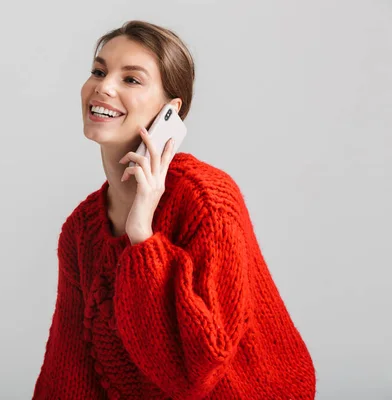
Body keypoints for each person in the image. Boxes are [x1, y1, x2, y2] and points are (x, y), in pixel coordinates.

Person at [33, 20, 316, 400]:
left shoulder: (206, 199)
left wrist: (142, 239)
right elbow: (68, 371)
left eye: (131, 79)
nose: (103, 86)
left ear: (171, 110)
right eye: (98, 71)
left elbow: (196, 370)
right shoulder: (80, 231)